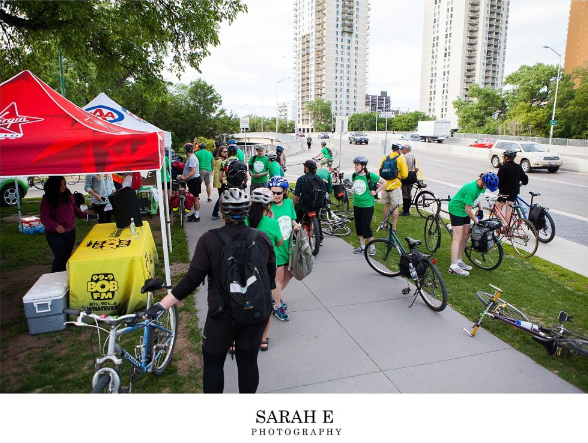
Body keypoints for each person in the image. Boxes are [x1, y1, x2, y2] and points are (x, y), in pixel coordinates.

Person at [146, 188, 276, 393]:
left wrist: (161, 305)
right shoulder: (262, 238)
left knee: (214, 364)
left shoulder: (209, 240)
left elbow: (191, 281)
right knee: (248, 362)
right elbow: (269, 281)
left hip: (221, 314)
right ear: (246, 211)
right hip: (255, 313)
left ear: (222, 213)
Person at [248, 188, 287, 350]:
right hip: (265, 270)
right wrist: (272, 221)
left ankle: (238, 339)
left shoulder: (245, 220)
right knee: (265, 305)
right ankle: (262, 340)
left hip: (246, 268)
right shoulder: (272, 223)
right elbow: (279, 242)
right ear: (268, 205)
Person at [447, 172, 499, 276]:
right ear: (483, 182)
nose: (487, 189)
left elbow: (477, 198)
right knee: (458, 237)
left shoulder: (482, 186)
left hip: (465, 210)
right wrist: (476, 220)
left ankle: (458, 260)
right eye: (487, 186)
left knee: (465, 236)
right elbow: (468, 209)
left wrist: (480, 209)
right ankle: (453, 266)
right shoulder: (472, 188)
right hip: (457, 209)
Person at [40, 176, 95, 272]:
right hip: (54, 234)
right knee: (60, 256)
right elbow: (44, 218)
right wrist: (55, 226)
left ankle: (66, 275)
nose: (63, 187)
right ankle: (54, 277)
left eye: (64, 184)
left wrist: (88, 216)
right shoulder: (47, 199)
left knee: (67, 255)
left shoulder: (68, 194)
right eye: (60, 185)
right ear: (54, 186)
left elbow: (74, 209)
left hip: (70, 231)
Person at [267, 177, 300, 328]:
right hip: (275, 248)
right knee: (278, 277)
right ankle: (276, 305)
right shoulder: (268, 207)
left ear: (285, 192)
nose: (276, 196)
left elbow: (292, 218)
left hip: (288, 246)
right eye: (273, 193)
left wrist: (296, 225)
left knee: (291, 274)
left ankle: (274, 296)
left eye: (279, 193)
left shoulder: (288, 203)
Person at [351, 156, 386, 255]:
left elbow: (384, 182)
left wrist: (376, 191)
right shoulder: (354, 175)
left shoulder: (370, 176)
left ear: (363, 166)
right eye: (355, 165)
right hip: (357, 204)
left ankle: (372, 247)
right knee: (359, 226)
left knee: (366, 226)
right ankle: (362, 247)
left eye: (357, 165)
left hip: (367, 205)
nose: (355, 167)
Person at [292, 159, 326, 245]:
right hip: (317, 205)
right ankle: (320, 236)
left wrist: (293, 206)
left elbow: (296, 195)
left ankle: (293, 237)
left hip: (304, 206)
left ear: (306, 168)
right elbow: (324, 191)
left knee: (297, 218)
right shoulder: (319, 179)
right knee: (317, 218)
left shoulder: (301, 179)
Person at [377, 143, 408, 232]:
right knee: (395, 206)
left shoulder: (385, 158)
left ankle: (384, 223)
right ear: (398, 150)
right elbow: (405, 175)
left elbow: (379, 171)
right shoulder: (400, 159)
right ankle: (394, 227)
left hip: (385, 185)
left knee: (387, 205)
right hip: (395, 186)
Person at [497, 149, 528, 222]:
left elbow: (499, 181)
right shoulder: (518, 167)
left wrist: (499, 188)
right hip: (514, 192)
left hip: (504, 192)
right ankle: (507, 227)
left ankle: (504, 223)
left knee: (497, 208)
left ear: (506, 158)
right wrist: (521, 183)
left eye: (504, 157)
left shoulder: (503, 167)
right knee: (509, 209)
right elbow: (525, 180)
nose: (503, 158)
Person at [177, 143, 201, 222]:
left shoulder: (192, 159)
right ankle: (195, 214)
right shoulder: (192, 158)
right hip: (192, 180)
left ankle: (197, 216)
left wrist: (184, 178)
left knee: (195, 198)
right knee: (193, 198)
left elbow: (193, 171)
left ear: (186, 151)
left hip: (194, 180)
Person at [400, 144, 419, 216]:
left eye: (402, 149)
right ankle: (408, 209)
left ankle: (405, 211)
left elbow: (402, 167)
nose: (401, 150)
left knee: (404, 194)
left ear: (405, 149)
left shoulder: (404, 157)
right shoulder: (413, 156)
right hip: (411, 177)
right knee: (409, 193)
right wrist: (412, 173)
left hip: (405, 177)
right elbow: (416, 169)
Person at [211, 145, 228, 220]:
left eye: (226, 151)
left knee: (222, 197)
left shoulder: (217, 160)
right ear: (220, 152)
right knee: (222, 198)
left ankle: (217, 212)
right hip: (221, 182)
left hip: (219, 181)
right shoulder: (221, 161)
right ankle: (215, 212)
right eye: (224, 151)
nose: (226, 153)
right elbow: (222, 173)